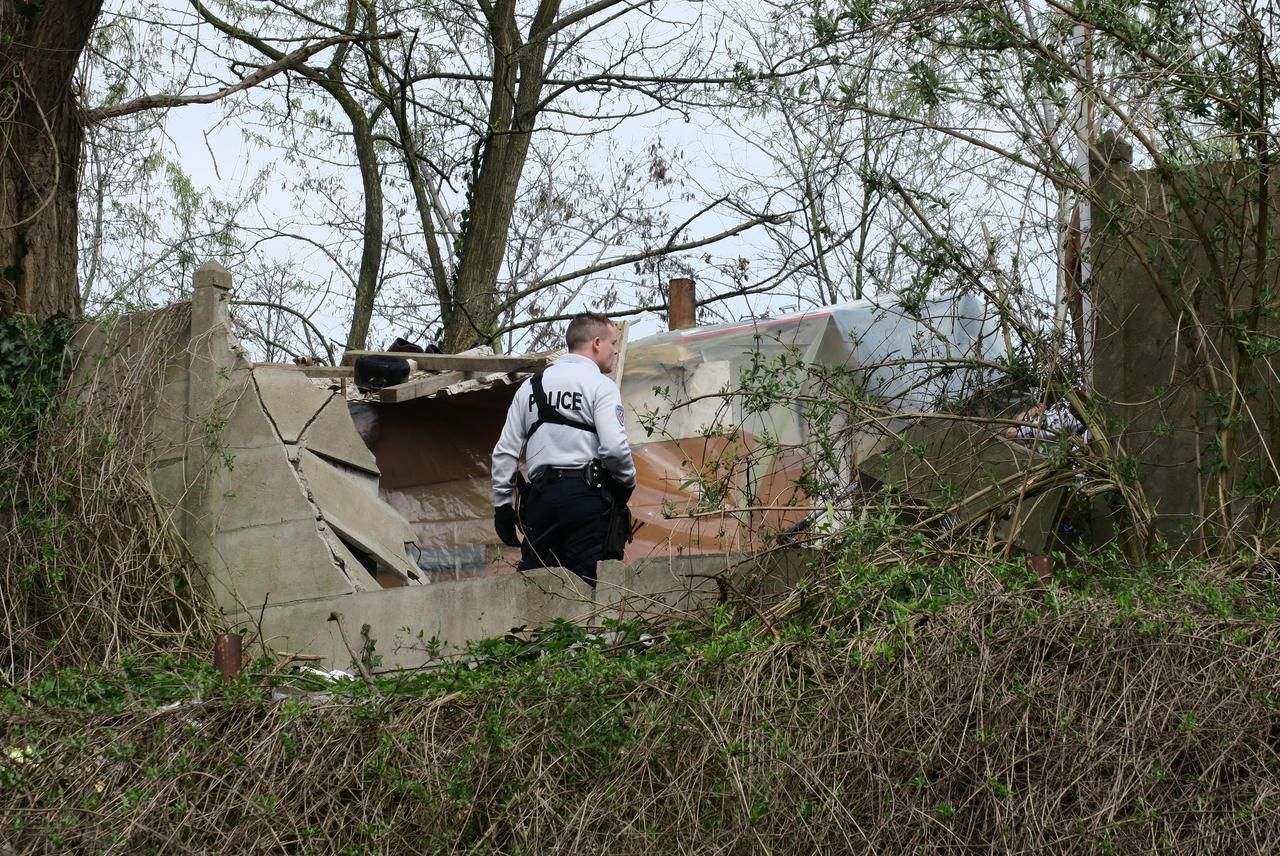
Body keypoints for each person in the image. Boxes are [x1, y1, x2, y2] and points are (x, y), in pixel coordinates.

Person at [491, 313, 636, 587]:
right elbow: (615, 449)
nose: (616, 350)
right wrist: (627, 482)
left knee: (536, 588)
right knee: (589, 587)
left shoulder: (529, 388)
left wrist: (502, 506)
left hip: (540, 502)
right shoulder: (601, 386)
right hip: (587, 499)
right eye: (612, 343)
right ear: (596, 343)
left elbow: (505, 451)